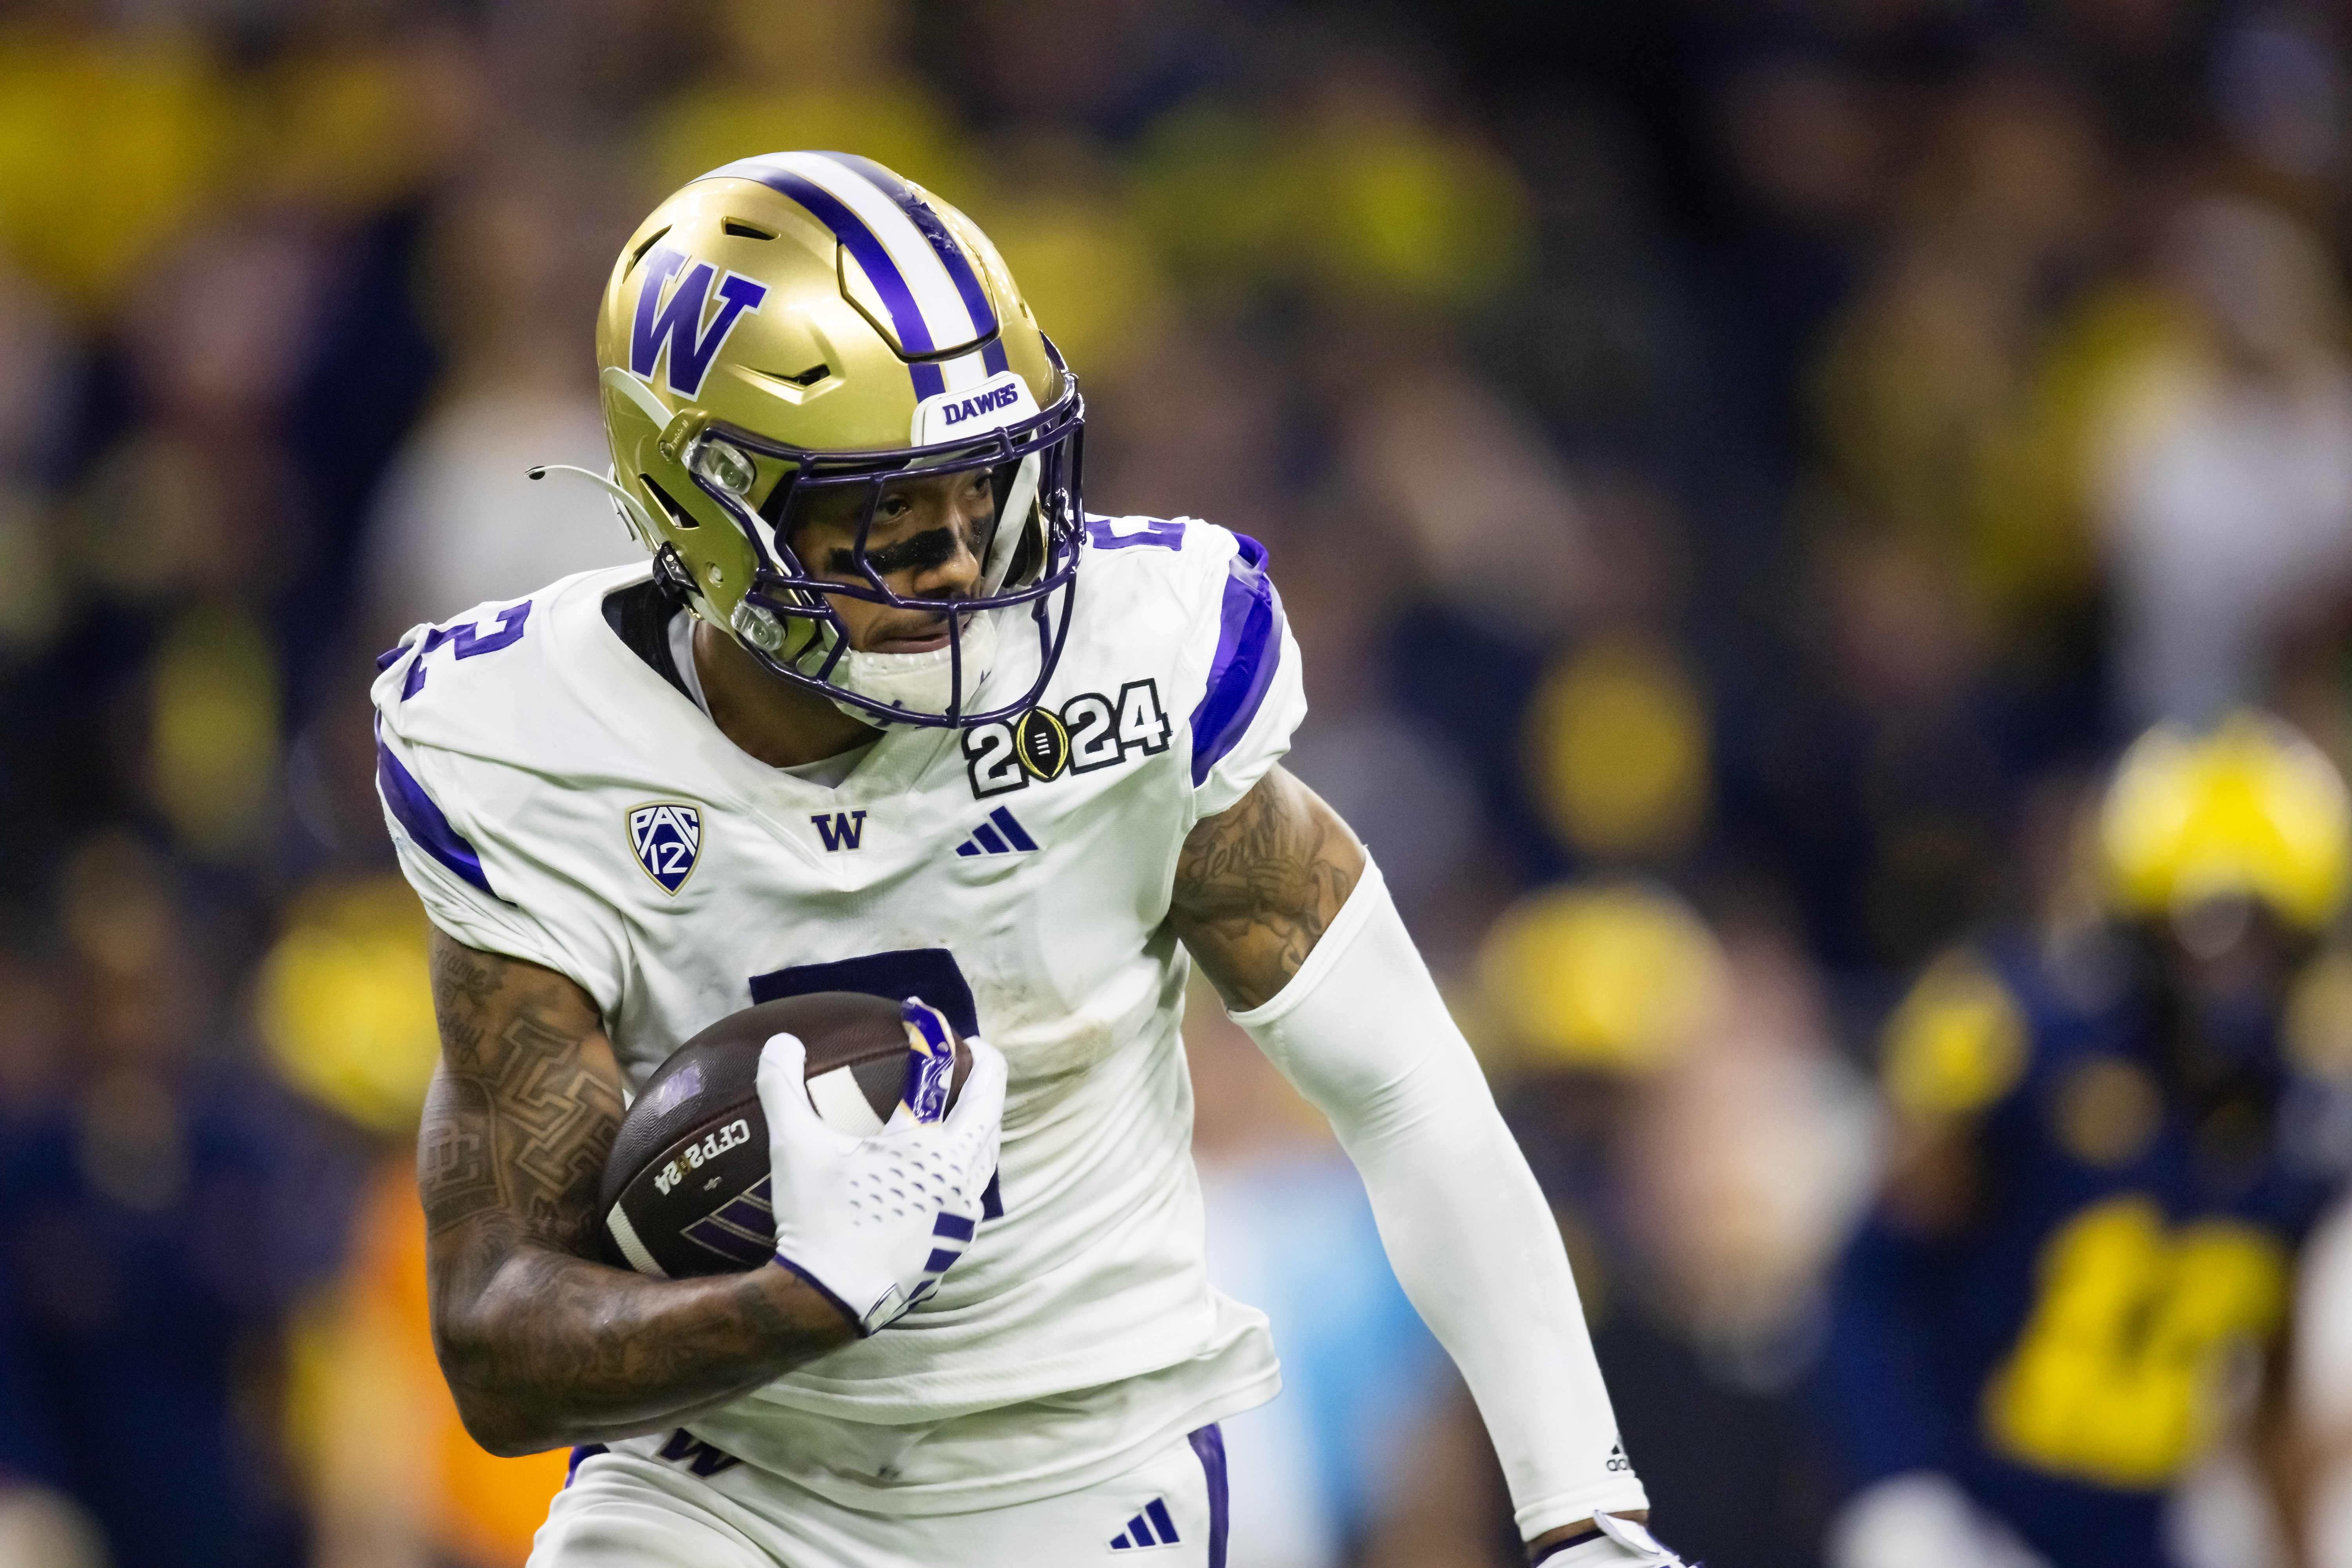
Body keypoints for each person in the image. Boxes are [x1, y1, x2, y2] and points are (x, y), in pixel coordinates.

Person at [372, 151, 1680, 1568]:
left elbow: (1404, 1084)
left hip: (1087, 1478)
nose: (961, 560)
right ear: (710, 508)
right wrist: (805, 1297)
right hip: (726, 1486)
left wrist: (1584, 1512)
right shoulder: (533, 748)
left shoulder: (1131, 668)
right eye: (884, 512)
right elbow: (501, 1349)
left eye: (986, 488)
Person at [1817, 712, 2352, 1568]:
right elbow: (1873, 1277)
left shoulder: (2305, 1130)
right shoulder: (2026, 1043)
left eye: (2262, 938)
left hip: (2137, 1535)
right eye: (2201, 937)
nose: (2231, 977)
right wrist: (1896, 1481)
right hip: (1973, 1509)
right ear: (2136, 923)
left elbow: (2273, 1388)